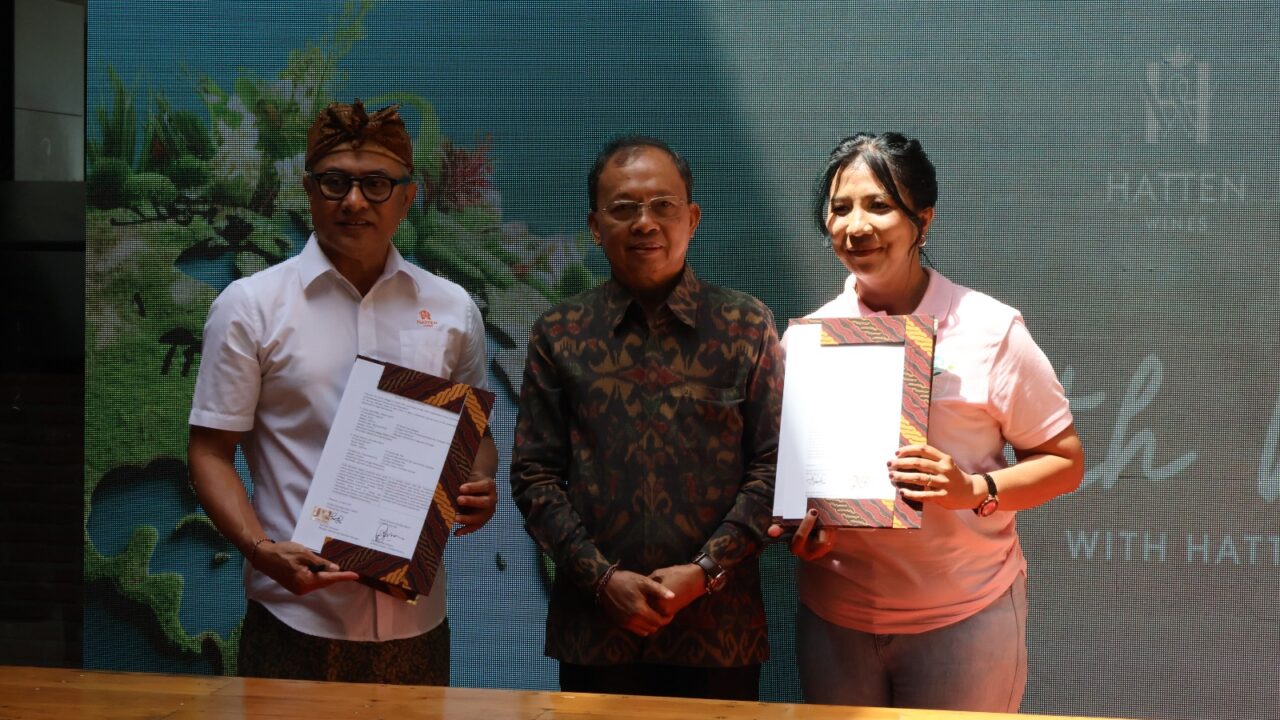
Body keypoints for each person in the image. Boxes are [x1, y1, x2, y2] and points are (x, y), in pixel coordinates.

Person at [186, 100, 498, 684]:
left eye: (377, 184)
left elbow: (475, 438)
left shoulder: (453, 309)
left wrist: (480, 482)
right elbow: (209, 451)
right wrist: (259, 549)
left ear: (408, 197)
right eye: (335, 182)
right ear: (308, 190)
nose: (354, 201)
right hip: (293, 615)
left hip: (419, 618)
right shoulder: (250, 307)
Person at [772, 132, 1084, 712]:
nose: (856, 226)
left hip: (964, 619)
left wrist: (975, 489)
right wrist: (800, 527)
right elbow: (796, 483)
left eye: (879, 205)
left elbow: (1064, 463)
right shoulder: (807, 341)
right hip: (834, 621)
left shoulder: (990, 330)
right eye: (840, 208)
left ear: (923, 219)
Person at [510, 135, 783, 701]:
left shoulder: (745, 325)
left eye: (663, 205)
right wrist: (602, 580)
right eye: (624, 208)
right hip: (596, 631)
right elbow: (534, 476)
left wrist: (705, 571)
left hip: (719, 631)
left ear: (692, 218)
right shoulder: (559, 333)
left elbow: (774, 468)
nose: (644, 222)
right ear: (595, 226)